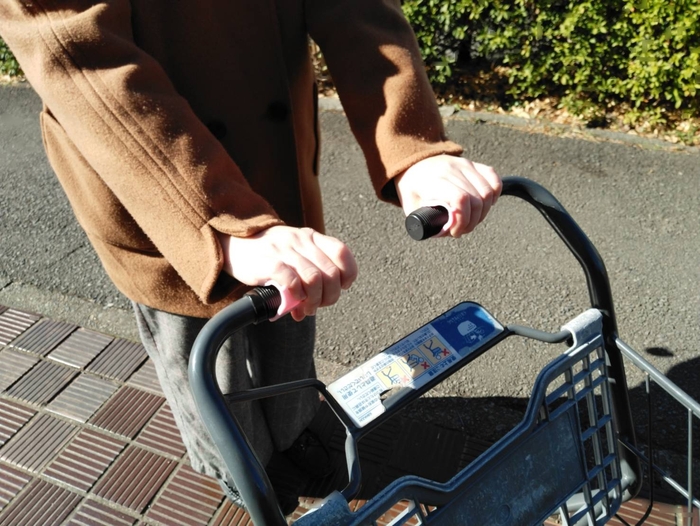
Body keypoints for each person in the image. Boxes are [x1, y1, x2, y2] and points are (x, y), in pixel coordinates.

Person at [0, 0, 501, 515]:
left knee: (291, 327)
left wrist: (411, 144)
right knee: (207, 364)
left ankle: (294, 435)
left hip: (270, 151)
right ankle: (237, 472)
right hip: (158, 180)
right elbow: (76, 49)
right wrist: (214, 215)